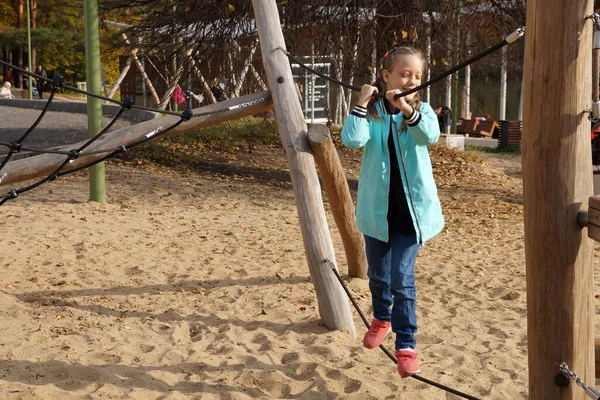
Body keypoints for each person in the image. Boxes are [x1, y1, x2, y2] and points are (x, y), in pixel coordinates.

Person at [341, 46, 444, 378]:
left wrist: (405, 107)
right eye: (404, 74)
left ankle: (407, 345)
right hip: (377, 214)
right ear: (386, 76)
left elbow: (428, 135)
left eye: (417, 76)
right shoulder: (371, 113)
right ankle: (382, 318)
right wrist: (361, 102)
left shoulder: (422, 110)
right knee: (378, 277)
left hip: (411, 218)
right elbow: (352, 141)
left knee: (402, 279)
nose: (411, 80)